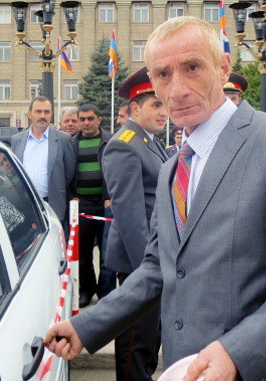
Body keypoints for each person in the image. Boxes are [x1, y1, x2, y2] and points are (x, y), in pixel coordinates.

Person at [44, 16, 266, 381]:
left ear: (223, 67)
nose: (177, 89)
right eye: (163, 75)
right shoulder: (173, 168)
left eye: (192, 67)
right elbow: (157, 268)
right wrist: (86, 326)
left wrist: (237, 352)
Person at [100, 67, 170, 380]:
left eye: (165, 104)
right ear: (135, 108)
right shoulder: (125, 144)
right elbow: (129, 216)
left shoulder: (149, 141)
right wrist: (148, 270)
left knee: (149, 339)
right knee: (135, 343)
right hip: (137, 263)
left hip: (152, 259)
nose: (164, 111)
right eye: (157, 105)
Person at [70, 104, 114, 307]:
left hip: (106, 204)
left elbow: (115, 171)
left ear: (99, 119)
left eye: (89, 118)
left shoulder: (110, 141)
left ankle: (106, 292)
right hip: (83, 205)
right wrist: (73, 195)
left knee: (108, 252)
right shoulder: (71, 144)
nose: (85, 123)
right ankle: (86, 290)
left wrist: (109, 196)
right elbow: (66, 172)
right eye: (82, 119)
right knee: (84, 252)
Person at [11, 96, 75, 225]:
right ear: (30, 114)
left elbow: (69, 173)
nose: (43, 116)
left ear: (51, 114)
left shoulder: (63, 139)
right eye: (38, 112)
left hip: (52, 204)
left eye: (46, 112)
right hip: (25, 203)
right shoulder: (17, 140)